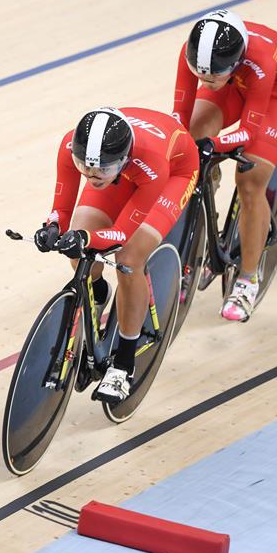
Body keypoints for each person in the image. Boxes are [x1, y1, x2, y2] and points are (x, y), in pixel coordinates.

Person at [34, 106, 199, 403]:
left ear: (122, 159)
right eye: (85, 168)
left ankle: (123, 364)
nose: (92, 175)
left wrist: (85, 237)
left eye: (101, 170)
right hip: (124, 171)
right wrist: (52, 227)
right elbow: (61, 207)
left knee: (128, 261)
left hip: (173, 173)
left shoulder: (152, 164)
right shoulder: (75, 148)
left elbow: (121, 234)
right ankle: (97, 290)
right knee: (80, 254)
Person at [172, 9, 277, 322]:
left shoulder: (261, 61)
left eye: (211, 75)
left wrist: (215, 146)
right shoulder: (197, 57)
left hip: (273, 97)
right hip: (231, 86)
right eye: (201, 74)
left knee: (251, 180)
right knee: (192, 138)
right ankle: (204, 210)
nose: (204, 80)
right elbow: (179, 117)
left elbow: (248, 133)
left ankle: (247, 281)